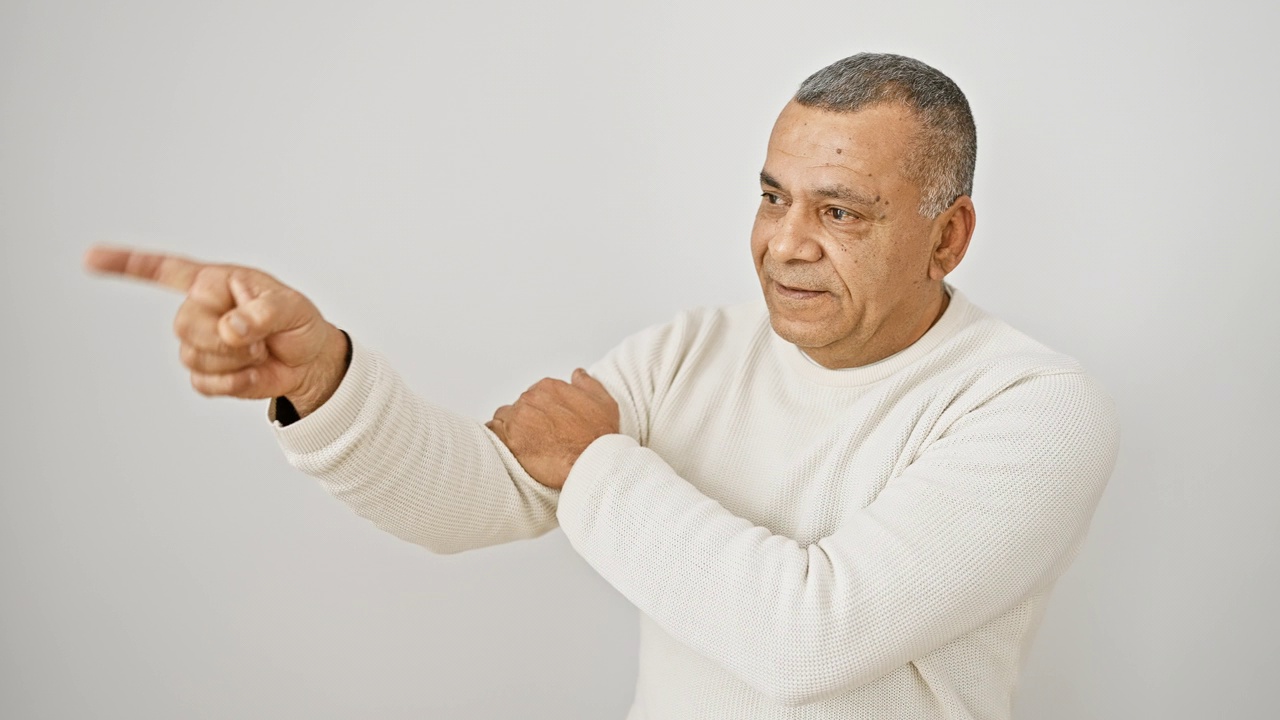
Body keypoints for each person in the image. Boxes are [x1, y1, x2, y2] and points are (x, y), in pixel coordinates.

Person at [84, 53, 1120, 719]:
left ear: (948, 237)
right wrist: (322, 379)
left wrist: (594, 462)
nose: (784, 246)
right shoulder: (692, 349)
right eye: (770, 198)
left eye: (840, 212)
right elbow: (474, 496)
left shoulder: (1026, 405)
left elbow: (809, 637)